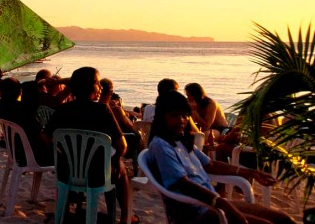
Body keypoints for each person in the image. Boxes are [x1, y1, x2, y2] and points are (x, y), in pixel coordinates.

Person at [147, 90, 294, 224]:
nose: (181, 120)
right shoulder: (161, 145)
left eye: (185, 115)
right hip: (195, 212)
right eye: (174, 115)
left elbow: (210, 164)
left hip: (212, 204)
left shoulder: (181, 140)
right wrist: (221, 203)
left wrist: (250, 172)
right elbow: (182, 184)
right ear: (161, 117)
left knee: (282, 219)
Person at [43, 67, 136, 224]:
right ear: (90, 86)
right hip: (96, 175)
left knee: (112, 163)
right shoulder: (102, 110)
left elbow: (45, 137)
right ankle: (126, 217)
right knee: (119, 166)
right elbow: (122, 146)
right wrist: (114, 158)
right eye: (98, 83)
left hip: (67, 172)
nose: (100, 87)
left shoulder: (63, 110)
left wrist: (63, 151)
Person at [0, 77, 53, 166]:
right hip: (32, 156)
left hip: (16, 153)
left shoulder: (3, 107)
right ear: (18, 92)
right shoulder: (24, 114)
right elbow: (42, 137)